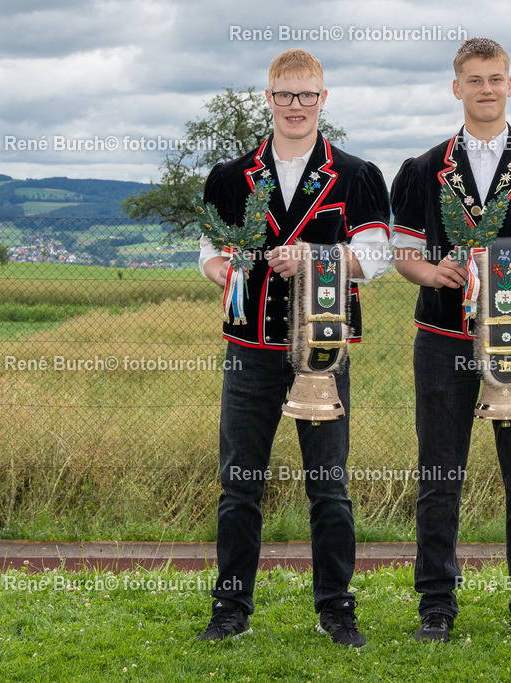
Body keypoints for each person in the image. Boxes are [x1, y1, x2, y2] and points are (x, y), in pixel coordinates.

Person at [390, 37, 511, 643]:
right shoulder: (422, 169)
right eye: (474, 79)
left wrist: (506, 254)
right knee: (439, 472)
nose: (485, 89)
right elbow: (402, 252)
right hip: (443, 334)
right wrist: (434, 271)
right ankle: (436, 606)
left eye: (495, 78)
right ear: (457, 88)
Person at [195, 48, 390, 648]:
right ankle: (230, 608)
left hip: (323, 350)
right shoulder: (230, 177)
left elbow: (376, 259)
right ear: (269, 98)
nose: (297, 105)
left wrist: (314, 257)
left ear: (323, 99)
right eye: (286, 95)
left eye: (308, 95)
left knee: (328, 482)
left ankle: (337, 608)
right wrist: (221, 272)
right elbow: (206, 252)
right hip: (250, 348)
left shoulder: (356, 174)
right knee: (240, 482)